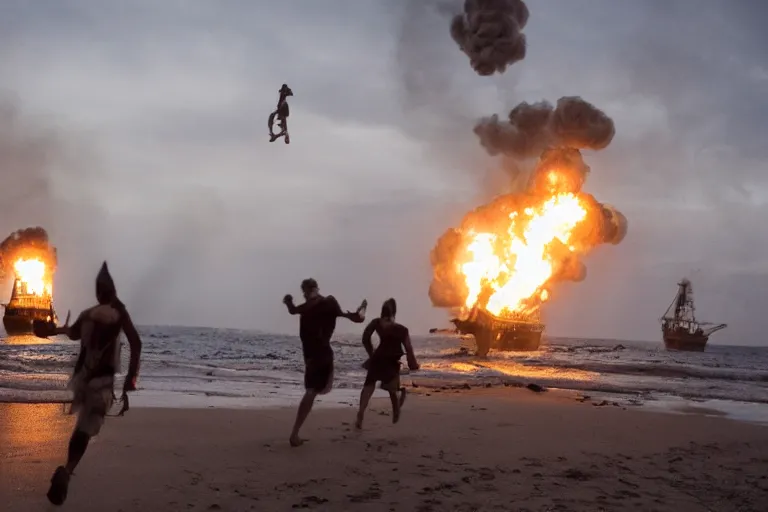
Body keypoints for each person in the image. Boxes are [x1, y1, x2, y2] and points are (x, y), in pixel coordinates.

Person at [34, 262, 142, 506]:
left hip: (82, 381)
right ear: (112, 292)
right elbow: (136, 343)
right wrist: (130, 380)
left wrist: (50, 330)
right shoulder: (118, 313)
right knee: (86, 429)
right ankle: (68, 470)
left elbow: (72, 333)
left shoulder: (88, 314)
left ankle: (67, 471)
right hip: (102, 383)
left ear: (97, 293)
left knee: (81, 427)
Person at [283, 278, 366, 447]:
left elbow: (351, 317)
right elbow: (351, 317)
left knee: (311, 391)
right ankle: (294, 434)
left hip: (316, 356)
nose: (306, 295)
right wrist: (288, 302)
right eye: (305, 293)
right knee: (312, 391)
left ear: (313, 289)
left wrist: (288, 301)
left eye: (307, 292)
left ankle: (295, 433)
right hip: (315, 356)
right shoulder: (312, 306)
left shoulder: (325, 303)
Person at [355, 298, 419, 430]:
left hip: (377, 359)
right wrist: (413, 364)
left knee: (368, 387)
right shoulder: (401, 329)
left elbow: (365, 338)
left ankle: (361, 412)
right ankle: (396, 410)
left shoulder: (377, 323)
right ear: (394, 312)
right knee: (392, 389)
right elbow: (408, 348)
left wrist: (371, 353)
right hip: (391, 361)